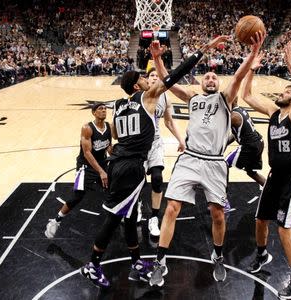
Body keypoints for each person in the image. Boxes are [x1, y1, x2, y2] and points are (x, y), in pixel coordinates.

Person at [80, 36, 229, 288]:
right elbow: (175, 75)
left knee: (128, 217)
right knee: (114, 217)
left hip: (118, 161)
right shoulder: (147, 97)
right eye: (141, 78)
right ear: (137, 87)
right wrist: (202, 50)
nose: (145, 79)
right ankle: (92, 264)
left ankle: (137, 261)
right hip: (130, 166)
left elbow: (115, 134)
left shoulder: (119, 105)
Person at [148, 32, 266, 287]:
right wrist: (157, 59)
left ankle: (218, 254)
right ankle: (160, 260)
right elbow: (169, 81)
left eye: (215, 77)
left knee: (218, 214)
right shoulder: (192, 98)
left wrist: (253, 55)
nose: (211, 78)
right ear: (201, 82)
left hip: (213, 162)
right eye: (207, 76)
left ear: (218, 83)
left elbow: (237, 77)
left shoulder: (226, 98)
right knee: (171, 208)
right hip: (190, 159)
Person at [242, 42, 291, 299]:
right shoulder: (273, 113)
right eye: (282, 91)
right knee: (260, 220)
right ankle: (262, 255)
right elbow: (247, 96)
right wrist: (252, 69)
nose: (281, 94)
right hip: (274, 176)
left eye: (286, 92)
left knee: (284, 229)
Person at [45, 103, 111, 238]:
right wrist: (101, 171)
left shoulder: (109, 127)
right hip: (86, 166)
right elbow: (87, 153)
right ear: (93, 112)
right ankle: (56, 220)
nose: (104, 110)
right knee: (77, 196)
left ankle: (118, 214)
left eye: (105, 108)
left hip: (102, 163)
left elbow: (109, 146)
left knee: (113, 188)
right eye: (100, 109)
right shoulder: (87, 128)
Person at [143, 67, 186, 240]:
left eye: (157, 75)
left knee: (157, 178)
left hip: (155, 142)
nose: (154, 78)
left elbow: (168, 121)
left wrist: (180, 139)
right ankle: (137, 205)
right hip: (139, 144)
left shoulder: (165, 96)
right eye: (151, 75)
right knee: (137, 181)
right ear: (147, 79)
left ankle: (153, 217)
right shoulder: (140, 95)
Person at [225, 93, 266, 187]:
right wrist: (226, 143)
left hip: (249, 145)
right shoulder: (241, 110)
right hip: (258, 142)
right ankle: (272, 190)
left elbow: (218, 132)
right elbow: (236, 134)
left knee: (224, 164)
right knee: (251, 172)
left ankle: (223, 194)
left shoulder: (233, 116)